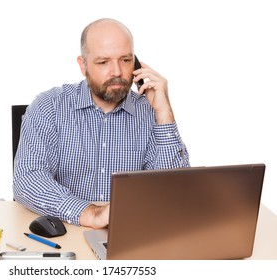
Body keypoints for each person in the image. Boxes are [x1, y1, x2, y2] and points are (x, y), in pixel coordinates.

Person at [13, 18, 190, 229]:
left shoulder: (150, 111)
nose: (116, 71)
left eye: (125, 60)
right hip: (69, 229)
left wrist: (164, 113)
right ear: (83, 65)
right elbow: (28, 179)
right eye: (103, 62)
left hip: (133, 229)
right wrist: (90, 214)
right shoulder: (49, 106)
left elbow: (174, 191)